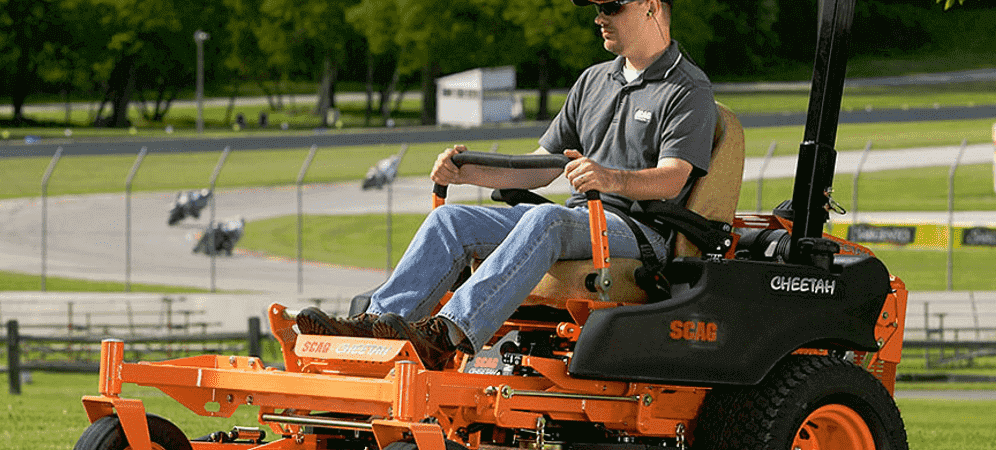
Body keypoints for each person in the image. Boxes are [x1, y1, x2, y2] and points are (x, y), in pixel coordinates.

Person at [299, 0, 719, 370]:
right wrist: (468, 173)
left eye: (610, 7)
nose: (599, 19)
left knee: (548, 218)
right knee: (452, 220)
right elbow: (541, 167)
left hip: (642, 230)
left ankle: (446, 336)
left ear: (651, 6)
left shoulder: (687, 88)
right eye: (595, 9)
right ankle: (373, 329)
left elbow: (673, 177)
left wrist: (609, 178)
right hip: (580, 220)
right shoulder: (593, 82)